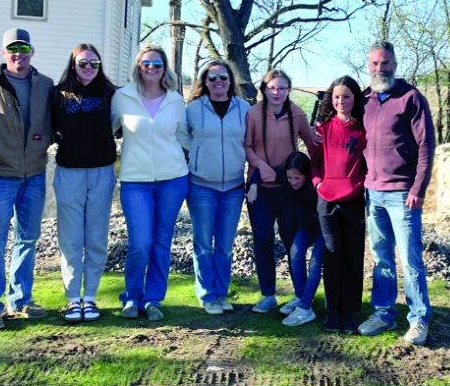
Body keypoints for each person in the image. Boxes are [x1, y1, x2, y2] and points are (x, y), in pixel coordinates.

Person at [0, 28, 53, 331]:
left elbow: (57, 123)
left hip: (33, 174)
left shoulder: (45, 85)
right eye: (12, 49)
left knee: (28, 239)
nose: (18, 53)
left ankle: (20, 300)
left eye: (23, 48)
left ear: (32, 51)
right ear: (4, 53)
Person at [358, 41, 435, 345]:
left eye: (386, 63)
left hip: (403, 194)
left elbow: (427, 146)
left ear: (395, 64)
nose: (381, 68)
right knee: (381, 259)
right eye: (375, 63)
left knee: (410, 259)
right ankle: (384, 312)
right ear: (369, 66)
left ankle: (418, 319)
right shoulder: (365, 99)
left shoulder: (411, 98)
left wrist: (418, 187)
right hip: (372, 193)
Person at [111, 45, 190, 321]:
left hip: (173, 179)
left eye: (157, 64)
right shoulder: (122, 97)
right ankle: (132, 297)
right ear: (138, 66)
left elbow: (184, 137)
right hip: (135, 182)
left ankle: (154, 298)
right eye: (146, 63)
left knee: (161, 242)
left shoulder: (175, 100)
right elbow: (104, 132)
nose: (152, 69)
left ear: (164, 67)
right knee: (140, 242)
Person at [51, 43, 117, 323]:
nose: (88, 68)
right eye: (82, 63)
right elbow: (49, 129)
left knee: (96, 238)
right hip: (69, 173)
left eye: (94, 63)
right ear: (73, 64)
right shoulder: (57, 95)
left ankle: (89, 297)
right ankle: (71, 300)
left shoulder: (111, 94)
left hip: (102, 173)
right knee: (70, 239)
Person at [245, 68, 318, 314]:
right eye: (272, 87)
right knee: (263, 239)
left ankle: (300, 295)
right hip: (260, 187)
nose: (277, 92)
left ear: (288, 90)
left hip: (288, 189)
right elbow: (247, 146)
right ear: (264, 89)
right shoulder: (253, 113)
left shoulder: (297, 113)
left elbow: (311, 143)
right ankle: (268, 295)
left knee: (291, 240)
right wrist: (260, 167)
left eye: (282, 88)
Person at [185, 60, 249, 315]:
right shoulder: (193, 109)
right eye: (212, 78)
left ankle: (221, 293)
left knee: (225, 244)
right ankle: (206, 294)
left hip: (233, 187)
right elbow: (182, 135)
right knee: (203, 244)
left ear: (230, 80)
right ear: (205, 82)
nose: (218, 82)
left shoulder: (243, 108)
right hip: (201, 186)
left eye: (223, 77)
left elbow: (250, 140)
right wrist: (199, 154)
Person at [311, 76, 367, 334]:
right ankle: (332, 312)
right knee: (332, 257)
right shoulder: (322, 129)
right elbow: (315, 163)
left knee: (353, 257)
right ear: (330, 100)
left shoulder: (363, 129)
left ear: (354, 98)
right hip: (327, 202)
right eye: (336, 97)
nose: (341, 101)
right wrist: (318, 184)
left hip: (354, 201)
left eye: (346, 97)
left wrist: (361, 185)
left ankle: (349, 313)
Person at [281, 152, 325, 327]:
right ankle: (301, 298)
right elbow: (265, 173)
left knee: (315, 262)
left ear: (306, 175)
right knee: (295, 252)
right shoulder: (287, 181)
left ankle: (306, 308)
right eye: (290, 177)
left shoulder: (315, 187)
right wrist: (253, 184)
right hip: (307, 226)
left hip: (324, 227)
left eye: (297, 178)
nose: (293, 182)